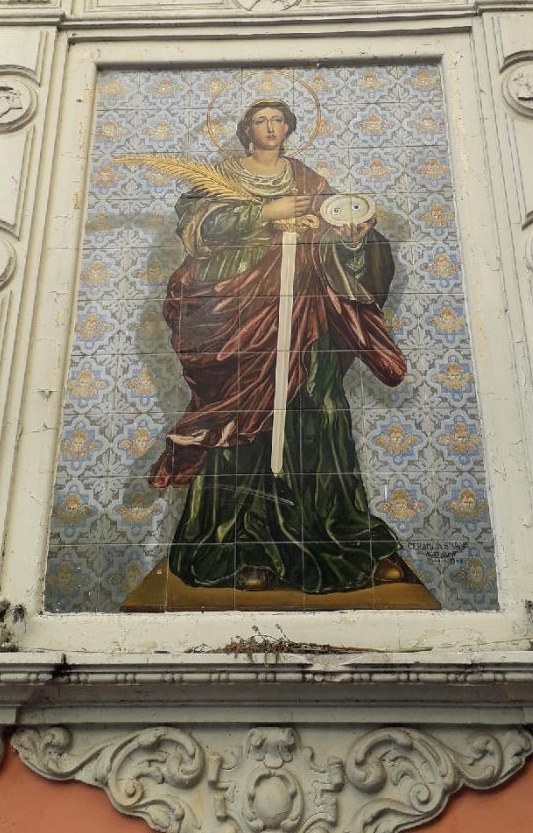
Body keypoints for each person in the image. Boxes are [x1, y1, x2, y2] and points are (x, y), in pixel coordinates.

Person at [148, 99, 408, 594]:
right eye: (262, 121)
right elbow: (196, 228)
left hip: (307, 318)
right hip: (242, 318)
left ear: (289, 128)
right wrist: (267, 213)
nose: (272, 128)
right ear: (247, 129)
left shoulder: (308, 178)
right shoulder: (220, 176)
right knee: (243, 421)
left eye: (280, 121)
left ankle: (340, 539)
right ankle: (242, 547)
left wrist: (352, 238)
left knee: (321, 415)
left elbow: (339, 230)